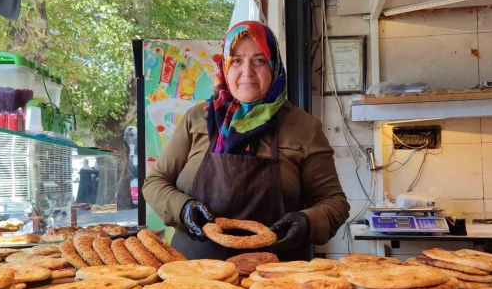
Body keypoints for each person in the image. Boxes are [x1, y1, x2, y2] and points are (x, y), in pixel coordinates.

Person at [143, 21, 349, 261]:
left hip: (277, 278)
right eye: (237, 60)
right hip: (195, 273)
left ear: (274, 67)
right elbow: (155, 182)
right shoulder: (197, 119)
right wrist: (183, 208)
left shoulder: (304, 127)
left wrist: (307, 221)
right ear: (225, 67)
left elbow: (335, 202)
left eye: (259, 60)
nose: (247, 72)